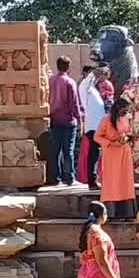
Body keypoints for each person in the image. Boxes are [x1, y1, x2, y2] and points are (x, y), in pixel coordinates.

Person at [94, 98, 136, 219]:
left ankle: (127, 213)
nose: (126, 112)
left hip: (124, 153)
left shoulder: (126, 118)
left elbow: (129, 132)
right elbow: (97, 137)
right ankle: (110, 213)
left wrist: (126, 138)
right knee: (111, 182)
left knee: (125, 181)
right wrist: (111, 143)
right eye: (124, 110)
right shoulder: (106, 119)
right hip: (111, 154)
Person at [49, 56, 83, 185]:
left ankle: (54, 178)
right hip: (68, 120)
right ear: (68, 67)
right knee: (68, 150)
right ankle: (69, 177)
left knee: (55, 150)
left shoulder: (50, 81)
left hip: (54, 119)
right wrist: (79, 120)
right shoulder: (70, 82)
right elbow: (74, 103)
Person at [77, 82, 106, 189]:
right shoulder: (86, 90)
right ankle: (92, 181)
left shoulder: (93, 91)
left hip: (96, 127)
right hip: (93, 128)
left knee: (94, 155)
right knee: (93, 155)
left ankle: (93, 180)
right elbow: (83, 85)